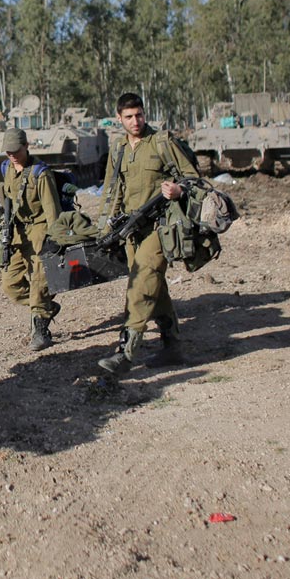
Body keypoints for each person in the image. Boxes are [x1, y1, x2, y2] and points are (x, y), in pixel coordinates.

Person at [97, 93, 200, 375]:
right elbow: (111, 192)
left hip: (161, 227)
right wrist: (105, 229)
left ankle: (125, 352)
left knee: (141, 283)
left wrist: (178, 190)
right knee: (154, 284)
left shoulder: (162, 142)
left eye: (139, 115)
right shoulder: (118, 148)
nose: (136, 121)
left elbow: (193, 179)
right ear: (119, 118)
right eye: (129, 117)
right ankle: (172, 345)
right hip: (132, 230)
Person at [0, 128, 63, 351]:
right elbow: (7, 196)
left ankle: (41, 330)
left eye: (16, 151)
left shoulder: (41, 173)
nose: (12, 156)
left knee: (40, 281)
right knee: (10, 284)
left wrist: (55, 241)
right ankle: (45, 307)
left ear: (27, 146)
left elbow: (52, 211)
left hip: (40, 229)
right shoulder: (7, 168)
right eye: (8, 152)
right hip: (18, 231)